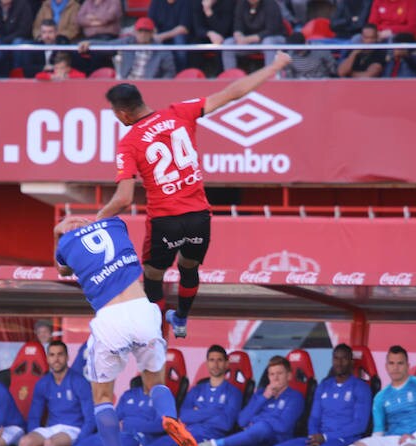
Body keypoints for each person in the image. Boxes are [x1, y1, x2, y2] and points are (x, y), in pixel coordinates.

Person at [94, 50, 291, 338]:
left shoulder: (129, 143)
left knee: (152, 275)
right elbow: (233, 92)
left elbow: (123, 199)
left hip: (165, 220)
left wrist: (99, 217)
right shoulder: (179, 112)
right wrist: (275, 65)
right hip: (199, 216)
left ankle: (156, 329)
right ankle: (182, 318)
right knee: (189, 265)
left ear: (123, 113)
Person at [54, 215, 201, 446]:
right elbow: (111, 215)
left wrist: (59, 232)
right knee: (154, 380)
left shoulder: (67, 243)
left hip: (110, 317)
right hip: (142, 308)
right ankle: (170, 417)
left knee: (103, 397)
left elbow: (63, 268)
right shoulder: (115, 224)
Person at [142, 344, 242, 446]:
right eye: (211, 360)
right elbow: (184, 416)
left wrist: (199, 413)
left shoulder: (233, 392)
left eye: (219, 360)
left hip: (209, 436)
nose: (215, 364)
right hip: (185, 432)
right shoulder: (198, 389)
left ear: (226, 364)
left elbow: (226, 423)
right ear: (207, 363)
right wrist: (214, 411)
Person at [18, 340, 94, 446]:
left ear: (67, 357)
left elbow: (90, 419)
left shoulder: (79, 382)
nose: (56, 359)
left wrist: (79, 443)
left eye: (60, 355)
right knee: (24, 443)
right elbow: (34, 418)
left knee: (50, 443)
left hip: (73, 429)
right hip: (52, 429)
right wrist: (33, 435)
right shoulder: (43, 383)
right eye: (52, 355)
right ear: (47, 359)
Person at [78, 17, 176, 80]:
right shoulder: (127, 42)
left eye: (146, 31)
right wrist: (90, 43)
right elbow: (108, 46)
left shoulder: (162, 50)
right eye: (140, 31)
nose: (143, 34)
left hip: (150, 87)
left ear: (152, 33)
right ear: (135, 31)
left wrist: (157, 85)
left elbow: (170, 72)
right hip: (127, 85)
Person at [221, 0, 286, 72]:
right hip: (248, 41)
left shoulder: (271, 4)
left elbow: (271, 30)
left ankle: (271, 75)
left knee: (268, 42)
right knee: (228, 43)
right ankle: (231, 76)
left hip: (273, 39)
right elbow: (237, 25)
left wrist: (247, 39)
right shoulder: (241, 4)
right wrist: (238, 36)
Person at [148, 0, 192, 72]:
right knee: (150, 40)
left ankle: (181, 73)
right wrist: (154, 35)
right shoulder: (156, 2)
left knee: (179, 41)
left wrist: (161, 37)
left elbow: (183, 28)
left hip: (176, 35)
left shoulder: (185, 2)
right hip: (159, 34)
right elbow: (151, 23)